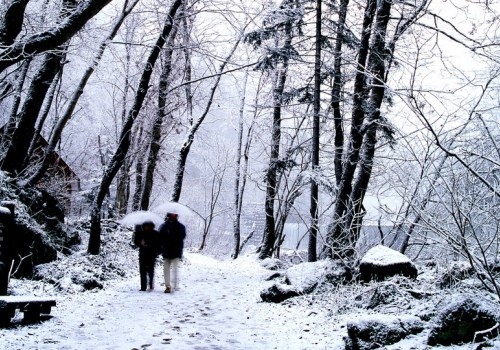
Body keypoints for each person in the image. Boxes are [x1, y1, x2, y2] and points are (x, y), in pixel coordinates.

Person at [159, 212, 186, 293]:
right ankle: (168, 286)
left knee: (175, 268)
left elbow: (182, 237)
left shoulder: (180, 226)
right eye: (171, 214)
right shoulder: (164, 226)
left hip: (176, 250)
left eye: (173, 214)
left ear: (176, 215)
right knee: (166, 269)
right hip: (167, 250)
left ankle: (175, 285)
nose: (172, 215)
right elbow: (160, 237)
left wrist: (172, 235)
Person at [133, 220, 160, 291]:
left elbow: (159, 244)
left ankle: (150, 284)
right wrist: (140, 242)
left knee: (151, 270)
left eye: (148, 226)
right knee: (142, 270)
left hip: (152, 254)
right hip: (143, 253)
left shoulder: (156, 234)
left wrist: (157, 252)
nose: (147, 228)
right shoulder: (140, 233)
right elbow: (135, 242)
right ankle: (143, 286)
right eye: (145, 226)